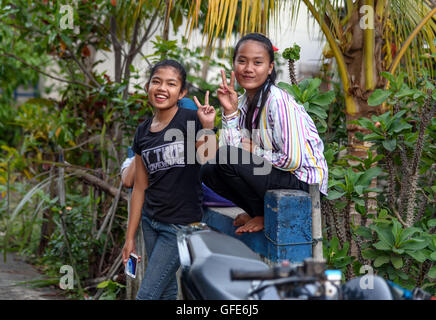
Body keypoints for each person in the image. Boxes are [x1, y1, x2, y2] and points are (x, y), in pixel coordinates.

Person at [200, 33, 328, 235]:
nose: (248, 68)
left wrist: (255, 151)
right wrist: (230, 112)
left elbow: (292, 160)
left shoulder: (278, 101)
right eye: (242, 61)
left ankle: (262, 213)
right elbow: (232, 153)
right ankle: (256, 211)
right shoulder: (242, 102)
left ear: (270, 68)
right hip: (276, 174)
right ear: (234, 64)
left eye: (257, 62)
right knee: (209, 169)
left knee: (225, 157)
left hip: (303, 182)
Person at [121, 59, 216, 300]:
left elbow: (209, 160)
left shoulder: (190, 120)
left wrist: (208, 127)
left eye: (171, 84)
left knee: (146, 296)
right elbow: (140, 188)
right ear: (147, 86)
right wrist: (130, 238)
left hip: (179, 226)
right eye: (156, 81)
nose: (162, 88)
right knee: (165, 292)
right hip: (151, 222)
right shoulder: (143, 132)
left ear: (181, 92)